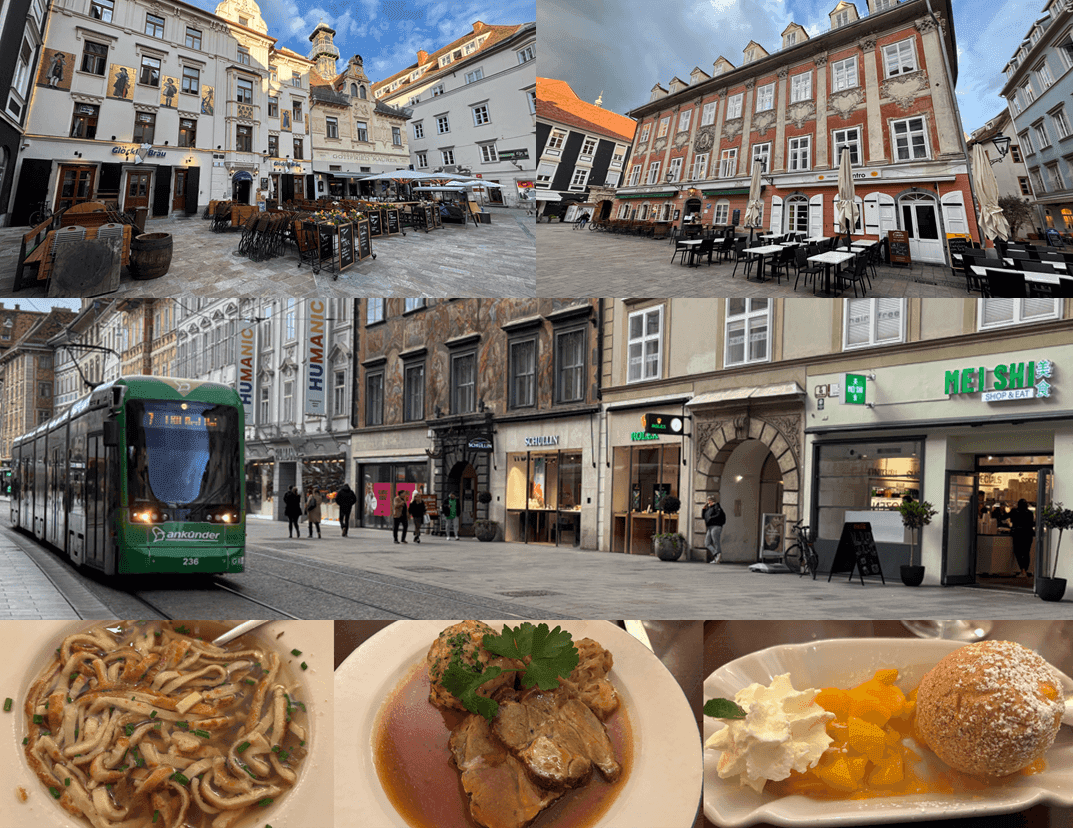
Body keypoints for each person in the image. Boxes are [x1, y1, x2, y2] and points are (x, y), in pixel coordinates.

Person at [1009, 498, 1035, 578]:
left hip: (1018, 534)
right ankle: (1025, 570)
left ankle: (1022, 570)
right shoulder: (1030, 513)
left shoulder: (1014, 512)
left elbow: (1010, 519)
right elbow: (1032, 523)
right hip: (1028, 534)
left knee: (1018, 552)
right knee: (1026, 552)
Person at [702, 495, 726, 564]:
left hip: (716, 526)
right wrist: (703, 509)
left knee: (716, 541)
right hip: (709, 527)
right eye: (708, 500)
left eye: (709, 500)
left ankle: (718, 555)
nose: (708, 501)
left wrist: (710, 518)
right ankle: (716, 554)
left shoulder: (716, 507)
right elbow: (703, 517)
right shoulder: (709, 508)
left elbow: (718, 514)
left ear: (712, 501)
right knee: (707, 543)